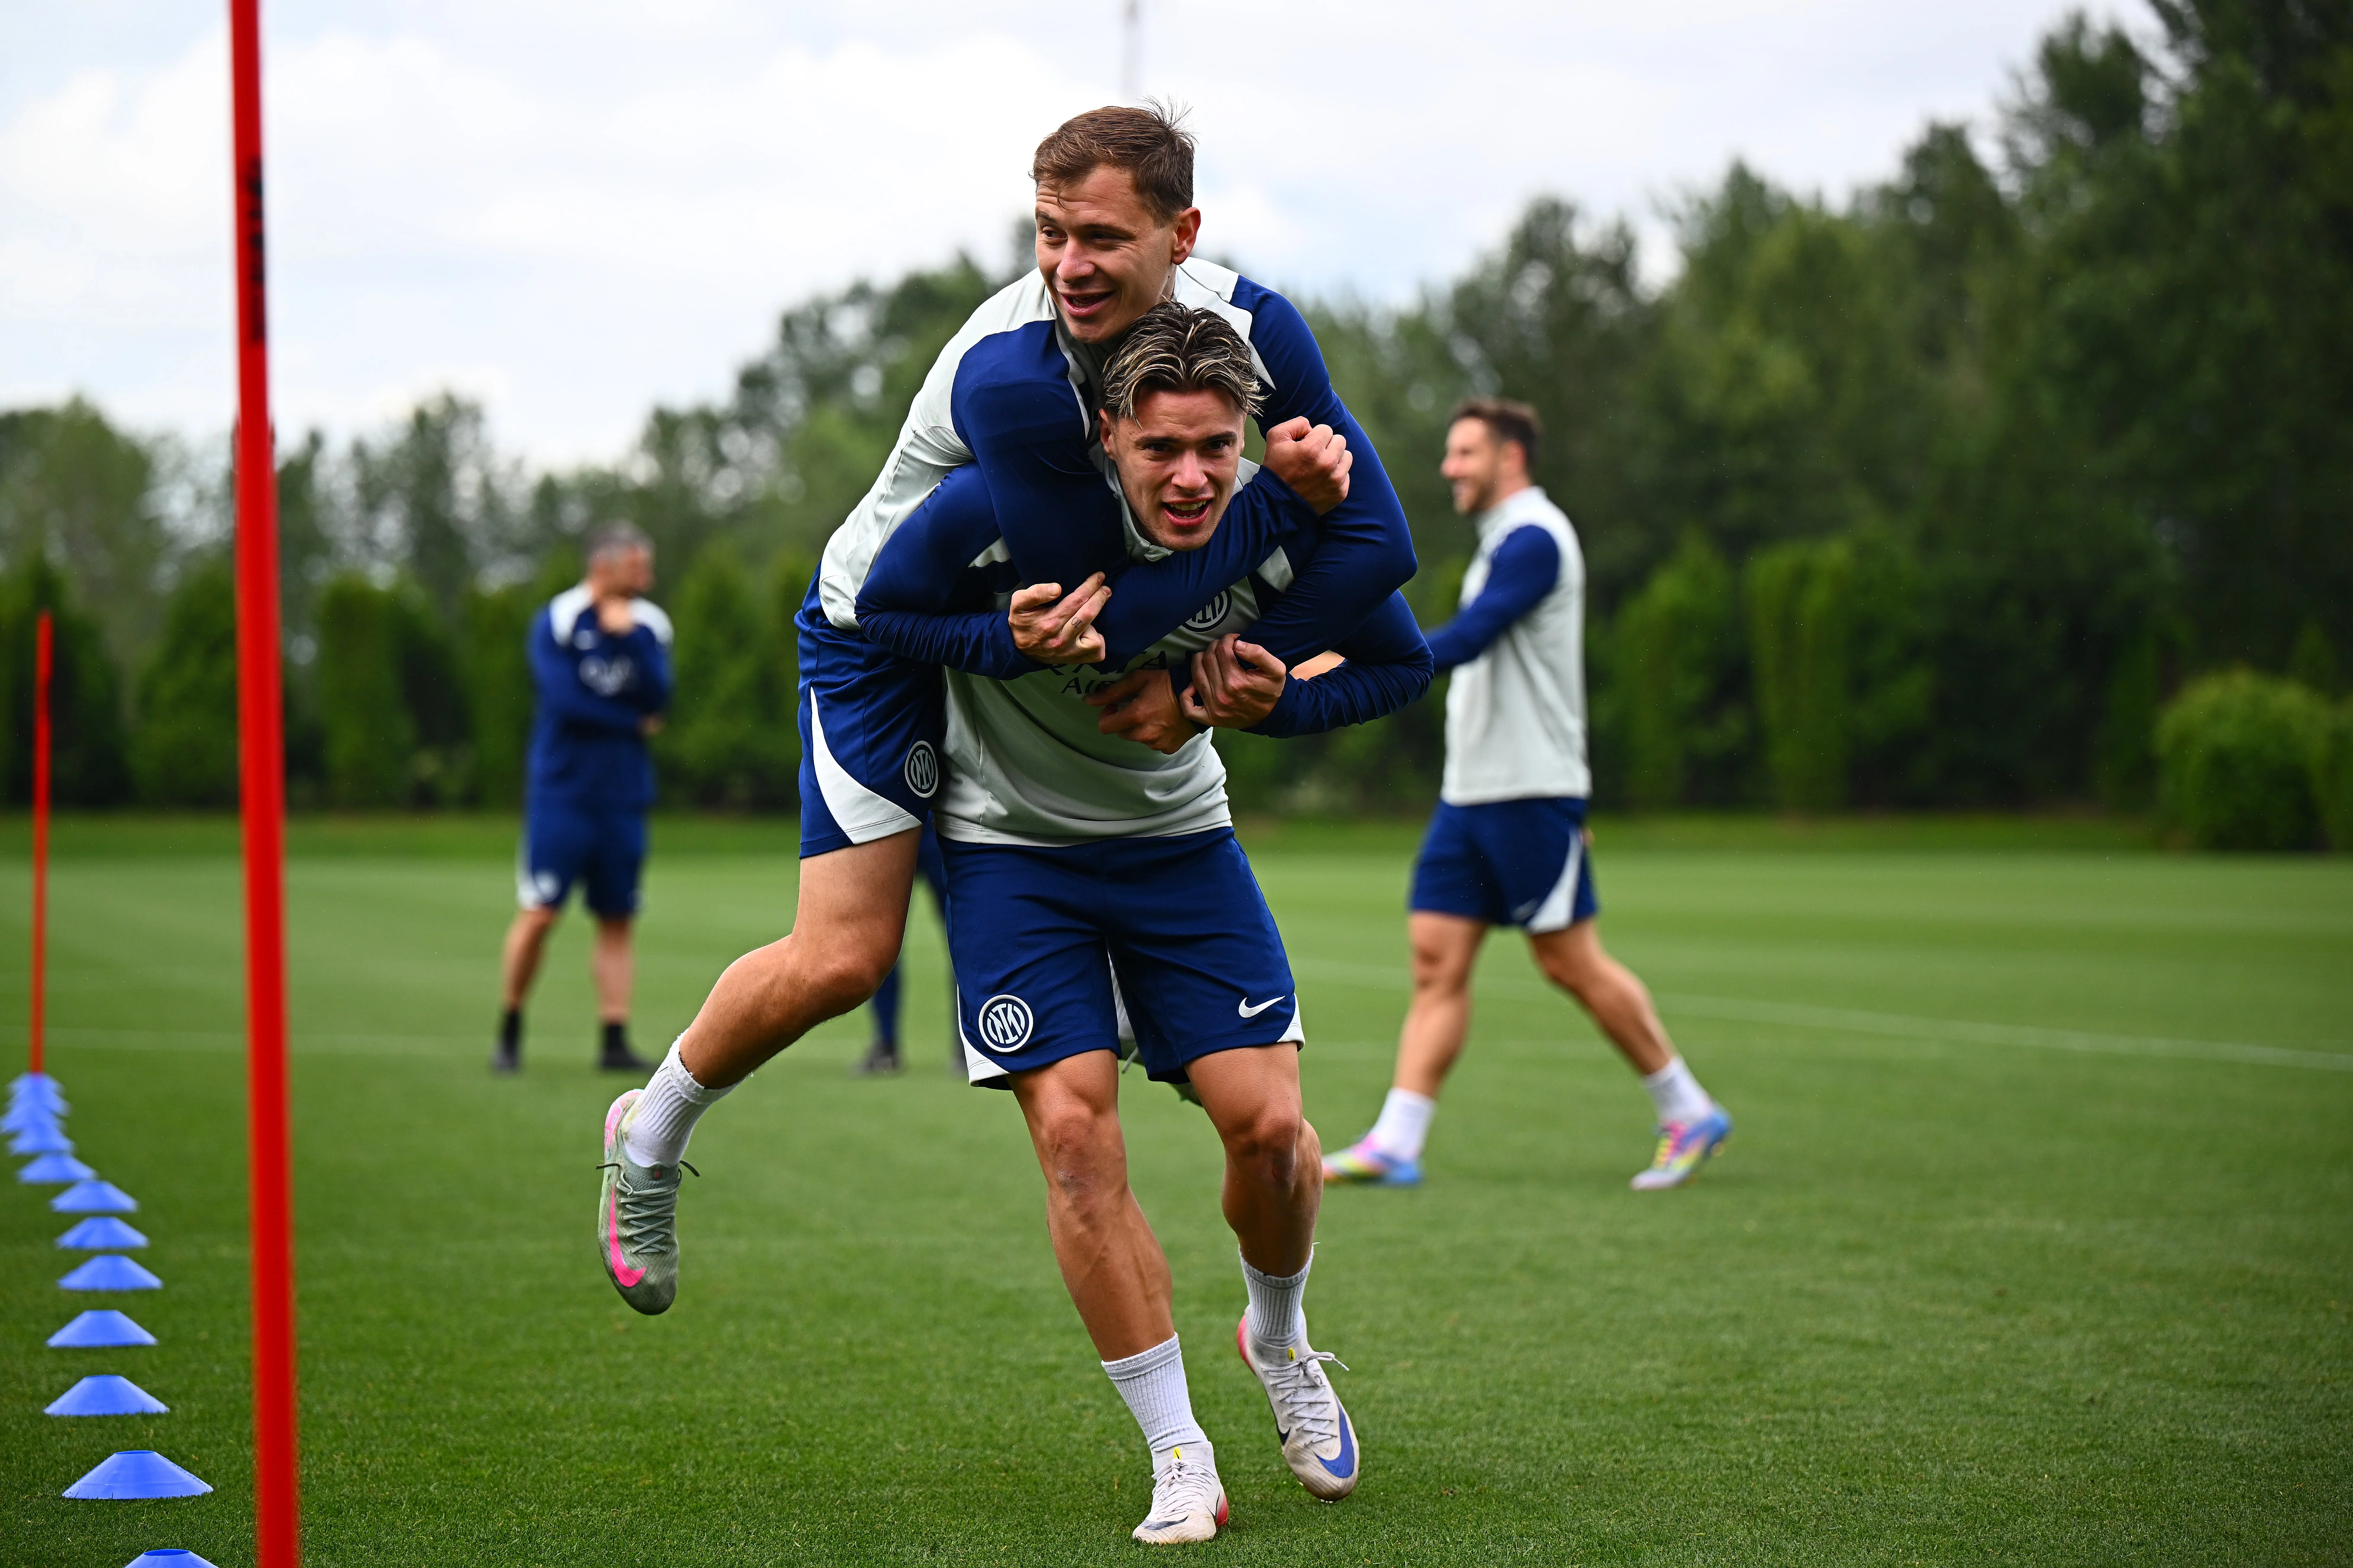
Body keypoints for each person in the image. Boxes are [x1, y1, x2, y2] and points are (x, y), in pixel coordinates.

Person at [591, 105, 1410, 1310]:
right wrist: (1274, 521)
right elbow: (1108, 615)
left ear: (1182, 236)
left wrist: (1228, 679)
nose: (1069, 265)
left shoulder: (1260, 333)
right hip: (895, 628)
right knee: (845, 955)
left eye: (1101, 238)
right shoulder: (1018, 379)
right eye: (1047, 233)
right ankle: (647, 1132)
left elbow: (1381, 545)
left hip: (1038, 622)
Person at [840, 304, 1423, 1541]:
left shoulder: (1284, 521)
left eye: (1218, 445)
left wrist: (1272, 707)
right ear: (1107, 436)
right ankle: (1177, 1450)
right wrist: (998, 637)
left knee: (1272, 1135)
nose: (1194, 475)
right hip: (1009, 857)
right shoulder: (998, 507)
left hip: (1180, 850)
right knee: (1072, 1138)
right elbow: (878, 610)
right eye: (1162, 449)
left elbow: (1397, 664)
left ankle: (1276, 1336)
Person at [1322, 400, 1734, 1191]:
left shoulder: (1536, 539)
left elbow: (1472, 636)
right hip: (1468, 795)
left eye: (1464, 452)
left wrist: (1353, 664)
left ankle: (1686, 1109)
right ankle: (1396, 1141)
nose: (1449, 468)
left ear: (1509, 458)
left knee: (1568, 962)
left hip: (1531, 792)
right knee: (1435, 962)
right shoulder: (1502, 544)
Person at [497, 523, 671, 1074]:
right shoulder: (558, 619)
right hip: (562, 794)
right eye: (637, 567)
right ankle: (510, 1026)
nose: (647, 578)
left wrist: (629, 641)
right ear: (604, 566)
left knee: (617, 917)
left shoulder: (649, 625)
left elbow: (660, 696)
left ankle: (614, 1038)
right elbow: (566, 702)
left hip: (622, 796)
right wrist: (630, 720)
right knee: (541, 911)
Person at [854, 822, 949, 1075]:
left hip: (928, 826)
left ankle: (968, 1044)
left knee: (961, 943)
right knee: (881, 945)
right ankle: (886, 1044)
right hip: (898, 825)